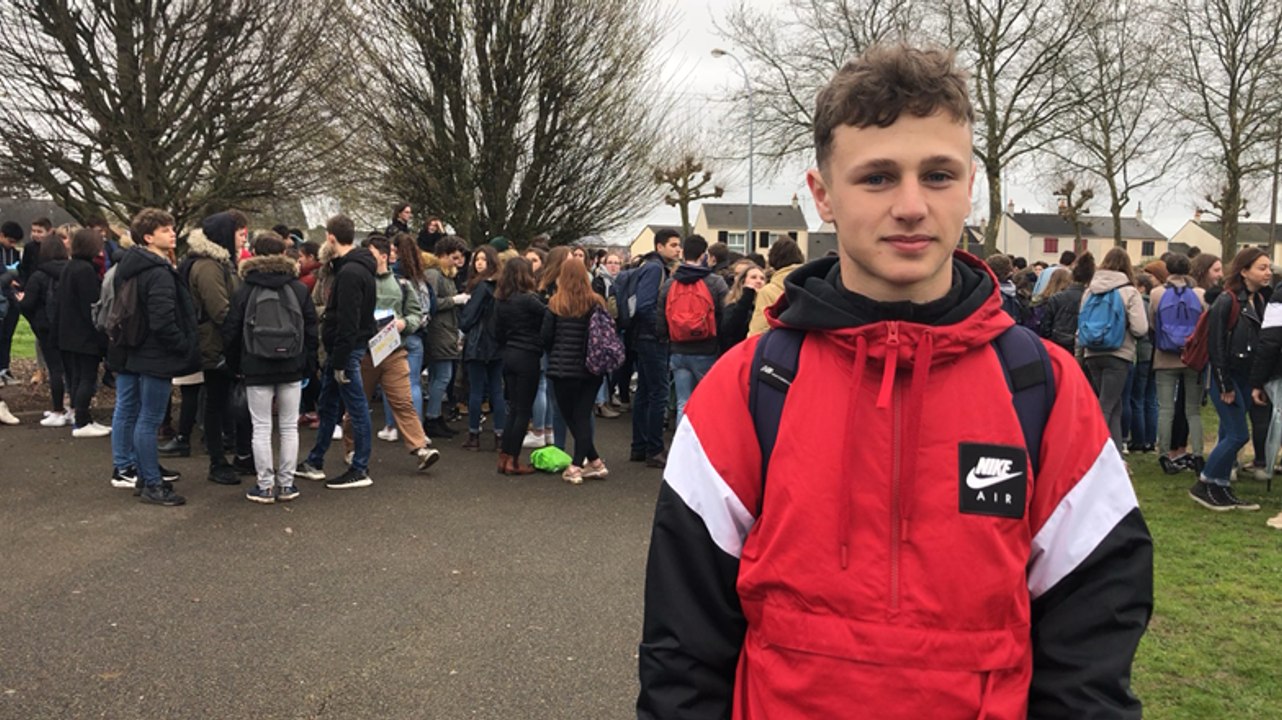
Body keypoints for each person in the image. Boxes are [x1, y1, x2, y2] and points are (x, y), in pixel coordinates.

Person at [637, 44, 1151, 719]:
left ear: (970, 184)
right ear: (822, 195)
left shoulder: (1043, 389)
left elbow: (1091, 650)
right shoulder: (750, 388)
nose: (911, 205)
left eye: (937, 175)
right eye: (877, 177)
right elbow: (683, 651)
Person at [221, 231, 319, 503]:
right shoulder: (298, 288)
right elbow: (311, 329)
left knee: (261, 427)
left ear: (255, 253)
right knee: (289, 427)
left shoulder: (245, 289)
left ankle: (265, 486)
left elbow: (231, 331)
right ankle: (287, 485)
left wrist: (234, 365)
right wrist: (308, 365)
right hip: (291, 365)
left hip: (255, 366)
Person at [114, 208, 199, 506]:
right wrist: (182, 345)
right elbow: (163, 320)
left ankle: (143, 474)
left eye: (172, 228)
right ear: (148, 237)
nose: (172, 233)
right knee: (149, 418)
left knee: (140, 416)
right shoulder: (158, 272)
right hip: (156, 354)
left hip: (136, 350)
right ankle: (152, 483)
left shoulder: (130, 268)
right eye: (165, 230)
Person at [295, 215, 380, 490]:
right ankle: (315, 460)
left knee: (355, 408)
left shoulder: (349, 273)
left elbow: (348, 321)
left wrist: (341, 360)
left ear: (331, 237)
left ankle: (360, 467)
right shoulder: (357, 268)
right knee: (329, 403)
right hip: (343, 350)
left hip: (346, 351)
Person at [1195, 247, 1269, 511]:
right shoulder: (1227, 301)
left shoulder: (1257, 300)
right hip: (1225, 376)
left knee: (1230, 431)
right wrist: (1224, 384)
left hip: (1244, 376)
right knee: (1238, 434)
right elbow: (1215, 347)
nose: (1268, 272)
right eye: (1262, 267)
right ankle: (1205, 483)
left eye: (1268, 267)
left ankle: (1221, 485)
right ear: (1244, 270)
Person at [183, 211, 251, 484]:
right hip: (216, 344)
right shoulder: (210, 267)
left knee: (221, 402)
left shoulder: (221, 263)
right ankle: (217, 461)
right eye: (239, 232)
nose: (244, 237)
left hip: (221, 341)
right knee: (216, 403)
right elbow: (221, 310)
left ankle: (228, 456)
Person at [541, 260, 608, 484]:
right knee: (582, 415)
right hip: (592, 368)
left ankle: (576, 466)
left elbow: (546, 338)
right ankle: (595, 462)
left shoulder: (555, 303)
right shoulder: (596, 301)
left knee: (571, 416)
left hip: (564, 369)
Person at [1080, 247, 1149, 454]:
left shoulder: (1089, 290)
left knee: (1114, 405)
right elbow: (1140, 327)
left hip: (1092, 351)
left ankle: (1115, 454)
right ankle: (1092, 451)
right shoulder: (1129, 291)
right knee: (1107, 405)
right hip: (1118, 352)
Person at [656, 234, 727, 426]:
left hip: (678, 350)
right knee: (708, 402)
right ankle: (705, 448)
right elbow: (725, 314)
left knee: (683, 403)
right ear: (703, 255)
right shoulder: (715, 282)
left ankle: (682, 449)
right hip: (706, 349)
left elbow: (661, 318)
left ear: (683, 252)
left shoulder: (671, 283)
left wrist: (666, 340)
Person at [628, 229, 682, 468]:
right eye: (673, 245)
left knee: (644, 392)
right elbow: (645, 305)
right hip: (652, 338)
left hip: (642, 337)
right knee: (658, 392)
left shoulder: (648, 266)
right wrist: (662, 328)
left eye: (678, 245)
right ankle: (655, 448)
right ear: (659, 247)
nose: (677, 249)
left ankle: (639, 447)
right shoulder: (655, 269)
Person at [1150, 253, 1206, 474]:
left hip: (1165, 357)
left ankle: (1164, 454)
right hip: (1191, 357)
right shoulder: (1200, 294)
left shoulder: (1156, 293)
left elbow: (1152, 323)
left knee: (1166, 409)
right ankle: (1199, 454)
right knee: (1192, 410)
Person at [57, 228, 110, 436]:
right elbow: (91, 307)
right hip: (84, 335)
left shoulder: (70, 268)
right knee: (87, 377)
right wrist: (101, 337)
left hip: (69, 333)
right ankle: (82, 421)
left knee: (78, 377)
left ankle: (83, 418)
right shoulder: (86, 271)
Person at [494, 257, 544, 475]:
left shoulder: (501, 300)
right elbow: (549, 317)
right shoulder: (530, 300)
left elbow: (496, 331)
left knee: (513, 409)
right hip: (528, 356)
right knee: (524, 411)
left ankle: (504, 456)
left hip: (509, 355)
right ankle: (513, 460)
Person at [421, 235, 470, 439]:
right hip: (439, 331)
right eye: (454, 257)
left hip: (446, 329)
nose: (458, 262)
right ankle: (432, 417)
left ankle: (435, 417)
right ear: (442, 255)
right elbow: (430, 304)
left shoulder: (444, 274)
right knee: (443, 376)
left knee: (439, 377)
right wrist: (455, 300)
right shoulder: (434, 274)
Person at [18, 234, 70, 427]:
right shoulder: (72, 272)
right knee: (71, 368)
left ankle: (57, 410)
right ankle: (73, 408)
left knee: (55, 368)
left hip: (47, 327)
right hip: (69, 326)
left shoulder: (39, 276)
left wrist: (22, 302)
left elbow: (28, 304)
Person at [459, 244, 506, 450]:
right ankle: (500, 435)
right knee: (497, 389)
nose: (479, 263)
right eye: (477, 259)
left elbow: (468, 319)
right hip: (498, 342)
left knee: (476, 391)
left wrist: (464, 316)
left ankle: (474, 436)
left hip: (478, 342)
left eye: (483, 260)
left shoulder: (480, 286)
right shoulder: (501, 285)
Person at [747, 237, 805, 336]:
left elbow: (758, 331)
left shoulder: (768, 292)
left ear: (772, 259)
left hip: (778, 346)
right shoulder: (811, 285)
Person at [719, 262, 767, 354]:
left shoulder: (765, 306)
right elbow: (729, 328)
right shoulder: (733, 305)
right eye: (753, 277)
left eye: (762, 278)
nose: (758, 281)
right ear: (743, 282)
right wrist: (748, 295)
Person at [0, 222, 22, 386]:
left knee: (7, 335)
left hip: (12, 299)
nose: (12, 245)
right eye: (10, 240)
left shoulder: (14, 253)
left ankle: (4, 368)